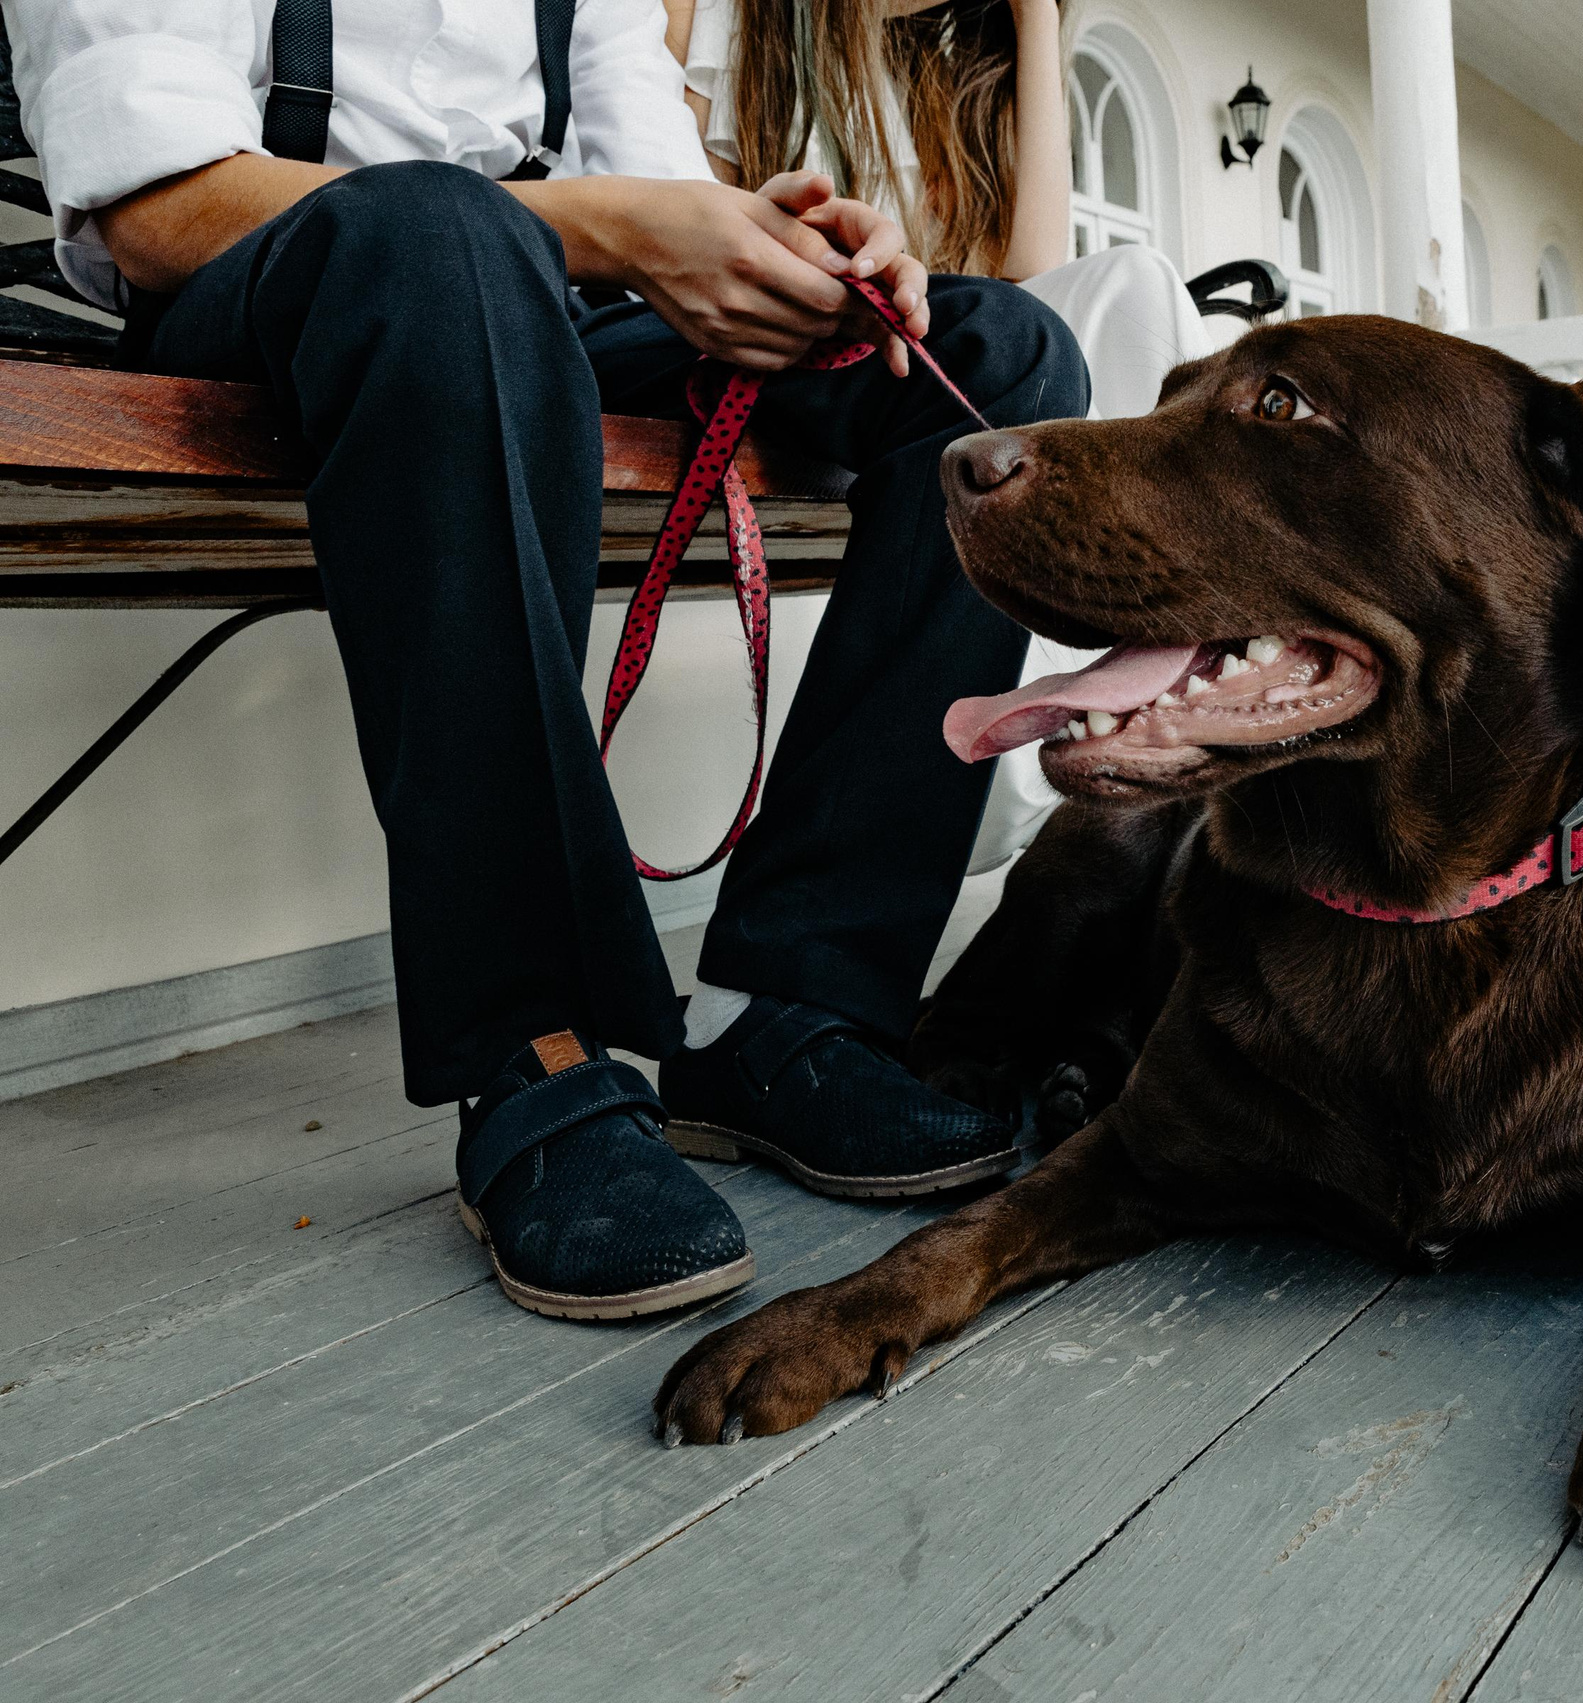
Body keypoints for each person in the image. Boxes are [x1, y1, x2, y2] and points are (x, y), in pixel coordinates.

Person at [4, 0, 1090, 1322]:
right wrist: (598, 228)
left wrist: (787, 263)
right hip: (293, 299)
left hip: (550, 305)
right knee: (439, 236)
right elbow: (154, 209)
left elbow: (653, 192)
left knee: (997, 354)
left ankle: (802, 1007)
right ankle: (537, 1054)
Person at [666, 0, 1216, 876]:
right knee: (1017, 351)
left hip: (946, 358)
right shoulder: (743, 22)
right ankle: (1065, 765)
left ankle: (1155, 702)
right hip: (791, 350)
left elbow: (1035, 279)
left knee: (1135, 284)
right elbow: (688, 233)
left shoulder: (952, 60)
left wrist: (1038, 23)